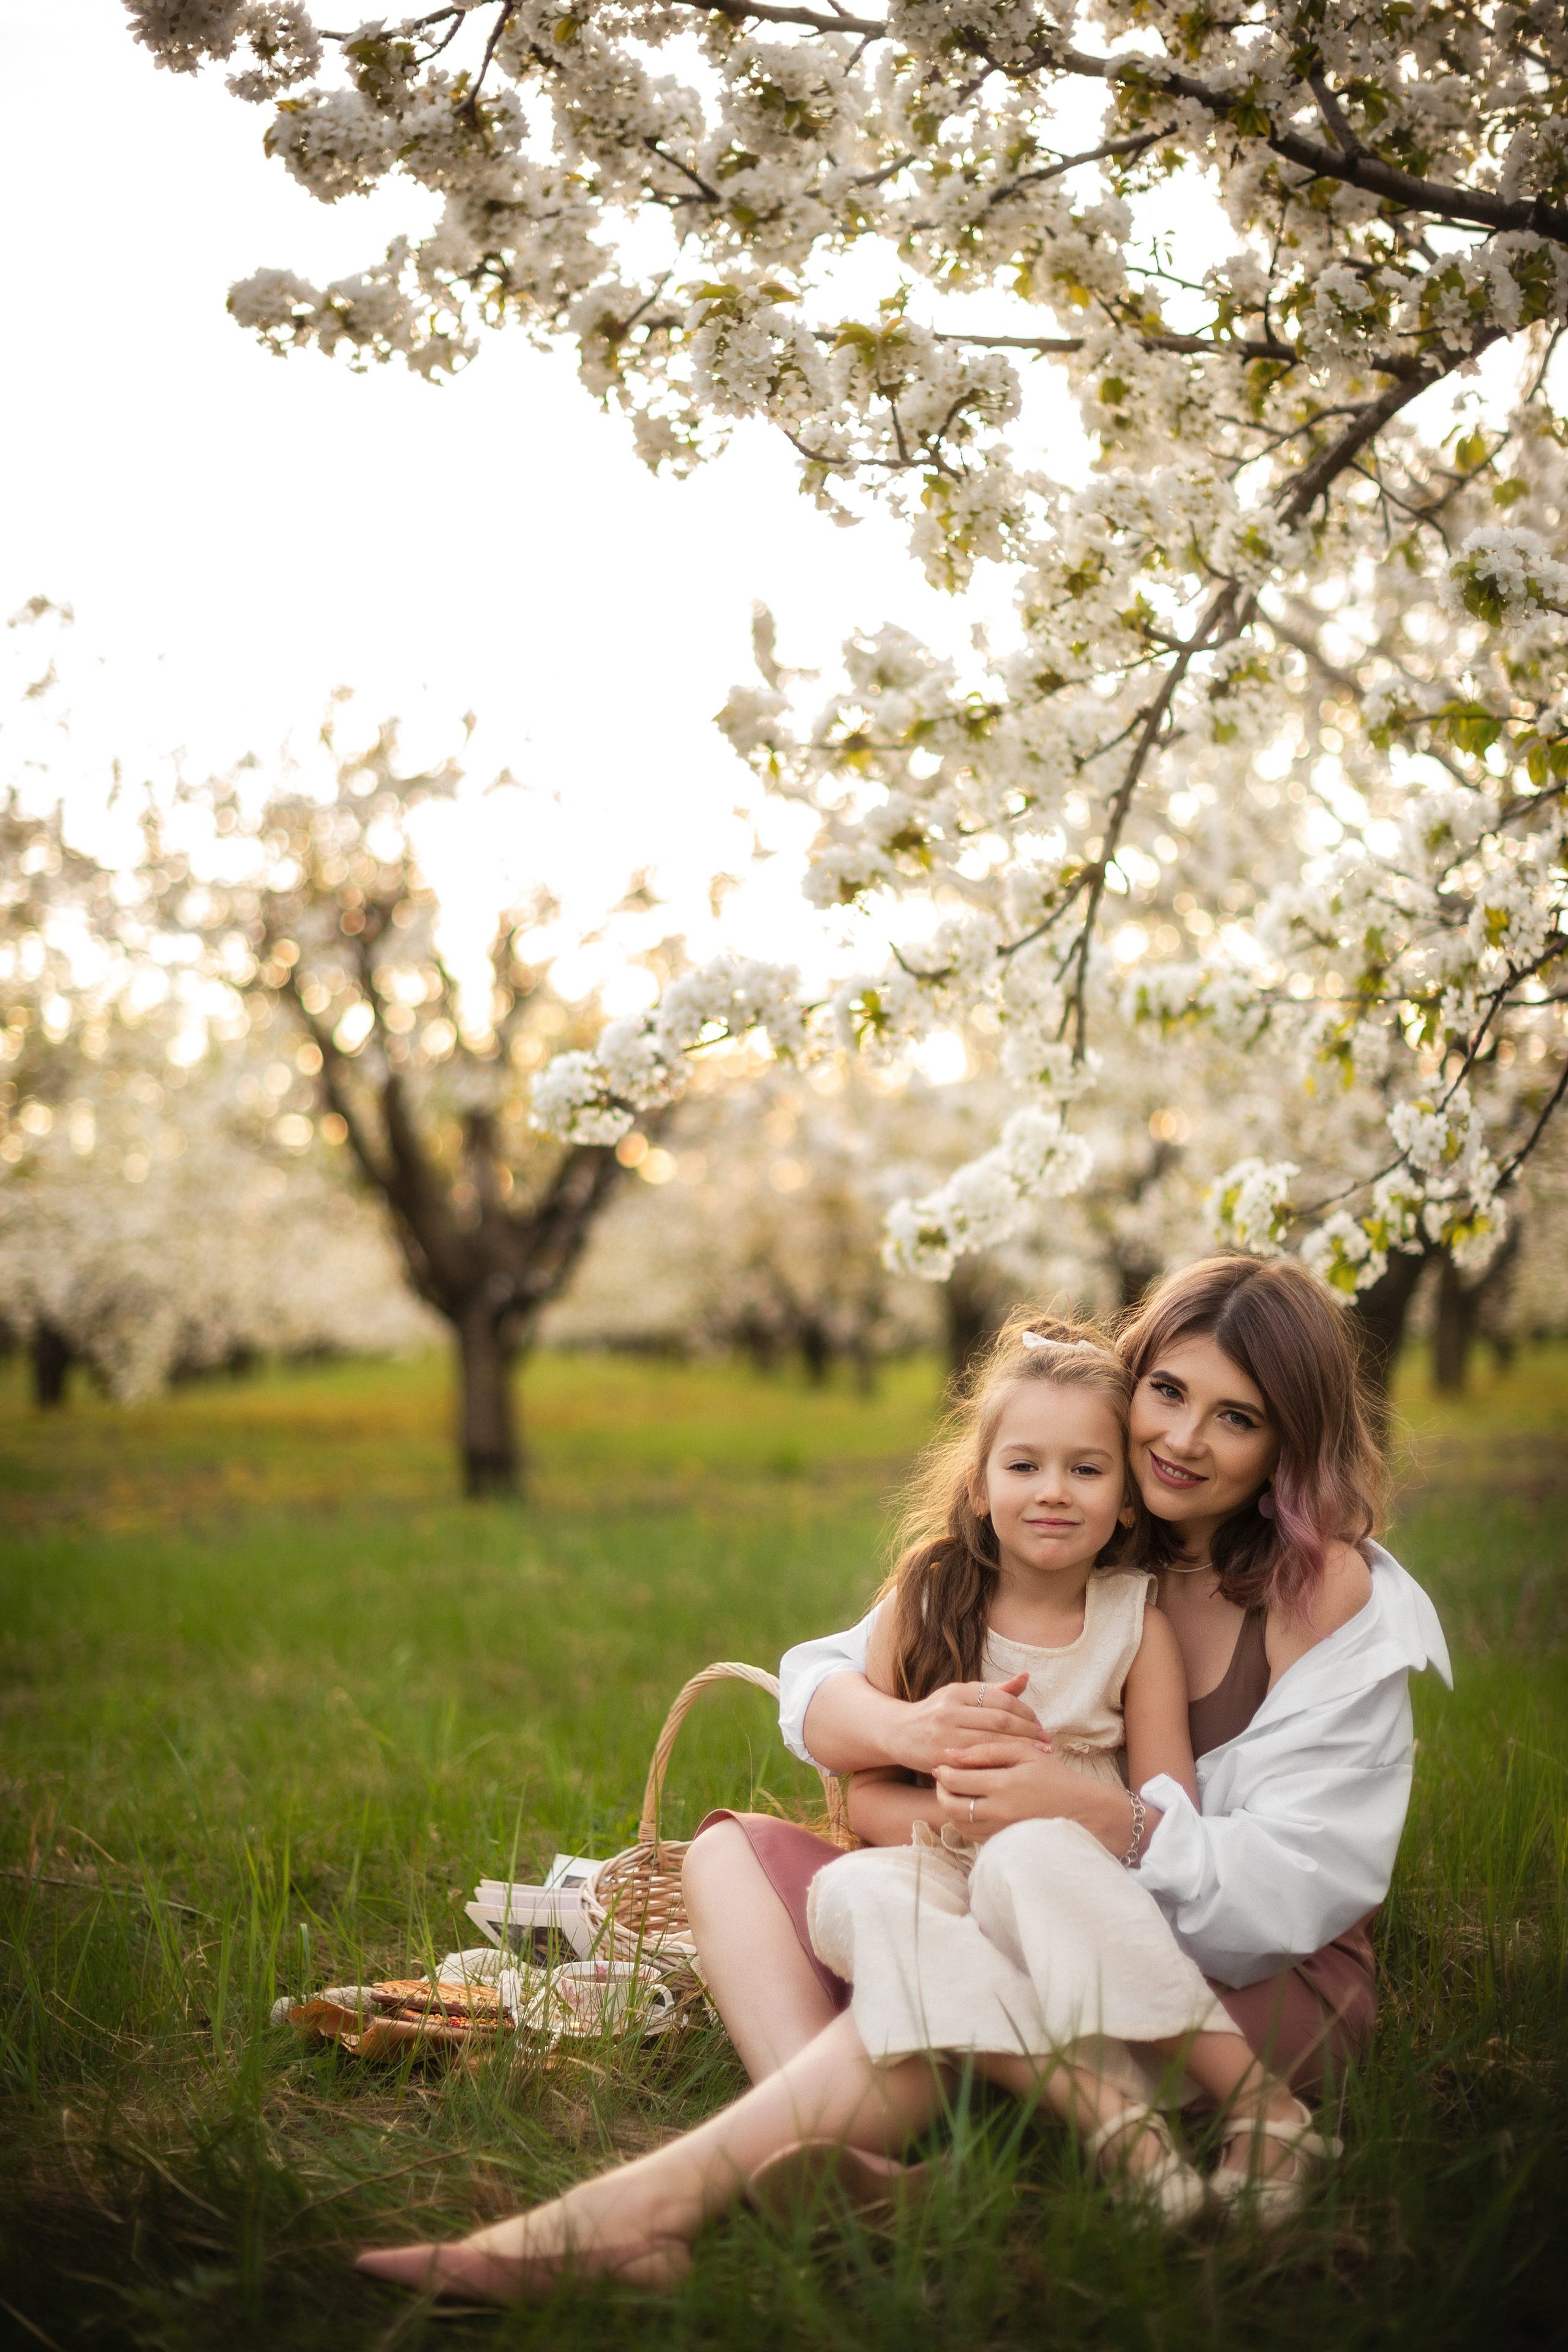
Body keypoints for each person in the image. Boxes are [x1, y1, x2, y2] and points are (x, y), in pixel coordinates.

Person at [357, 1257, 1446, 2297]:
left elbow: (1301, 1883)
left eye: (1237, 1417)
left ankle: (629, 2216)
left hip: (1241, 1978)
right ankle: (843, 2154)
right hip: (989, 1890)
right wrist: (912, 1730)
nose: (1182, 1439)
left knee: (961, 1980)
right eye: (1165, 1391)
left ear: (1288, 1442)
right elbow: (822, 1687)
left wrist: (1097, 1817)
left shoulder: (1322, 1591)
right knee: (736, 1852)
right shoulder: (1087, 1533)